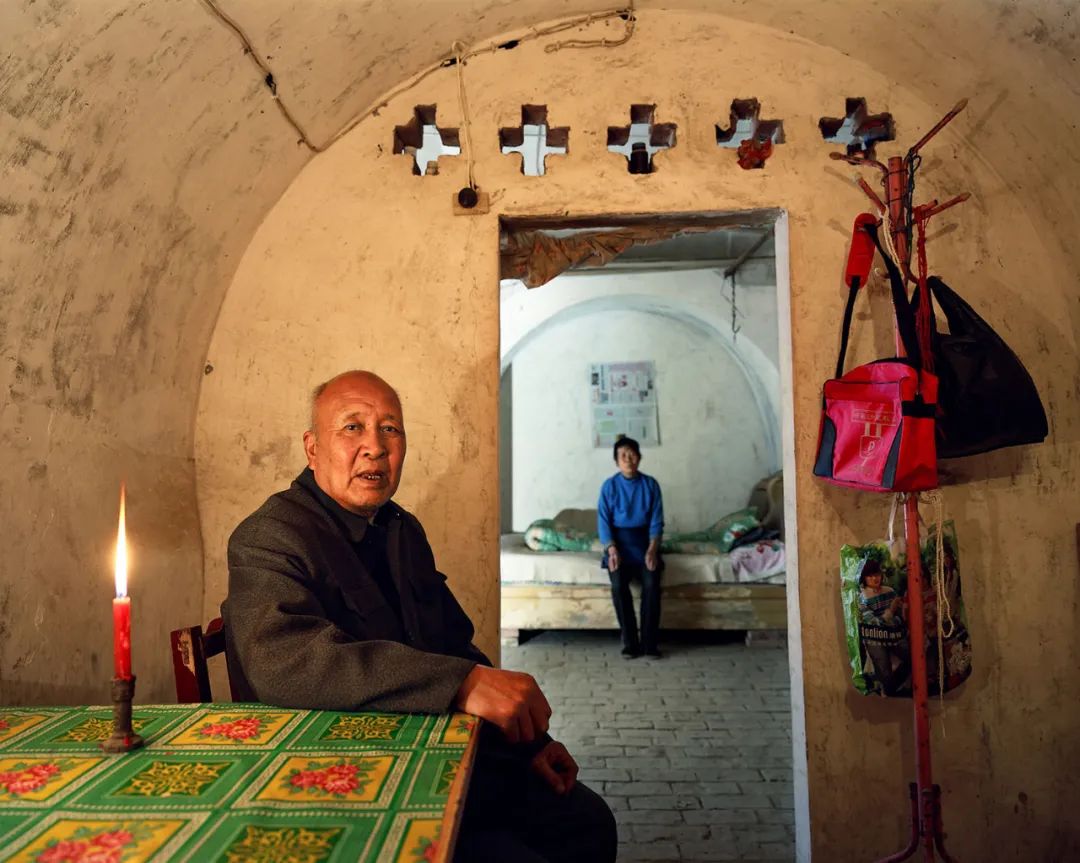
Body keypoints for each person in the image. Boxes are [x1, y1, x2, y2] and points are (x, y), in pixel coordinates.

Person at [222, 370, 616, 863]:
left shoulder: (401, 530)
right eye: (352, 427)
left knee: (588, 822)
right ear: (312, 448)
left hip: (435, 754)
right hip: (339, 777)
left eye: (390, 429)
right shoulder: (270, 537)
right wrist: (462, 684)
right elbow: (285, 661)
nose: (375, 447)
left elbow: (451, 642)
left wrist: (530, 741)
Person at [597, 436, 664, 659]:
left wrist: (652, 549)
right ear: (616, 461)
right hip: (619, 545)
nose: (628, 459)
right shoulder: (609, 486)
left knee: (652, 583)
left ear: (639, 457)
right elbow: (603, 522)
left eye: (632, 454)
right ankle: (630, 643)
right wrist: (611, 549)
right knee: (618, 585)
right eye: (623, 455)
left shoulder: (651, 485)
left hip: (645, 543)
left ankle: (649, 644)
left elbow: (656, 521)